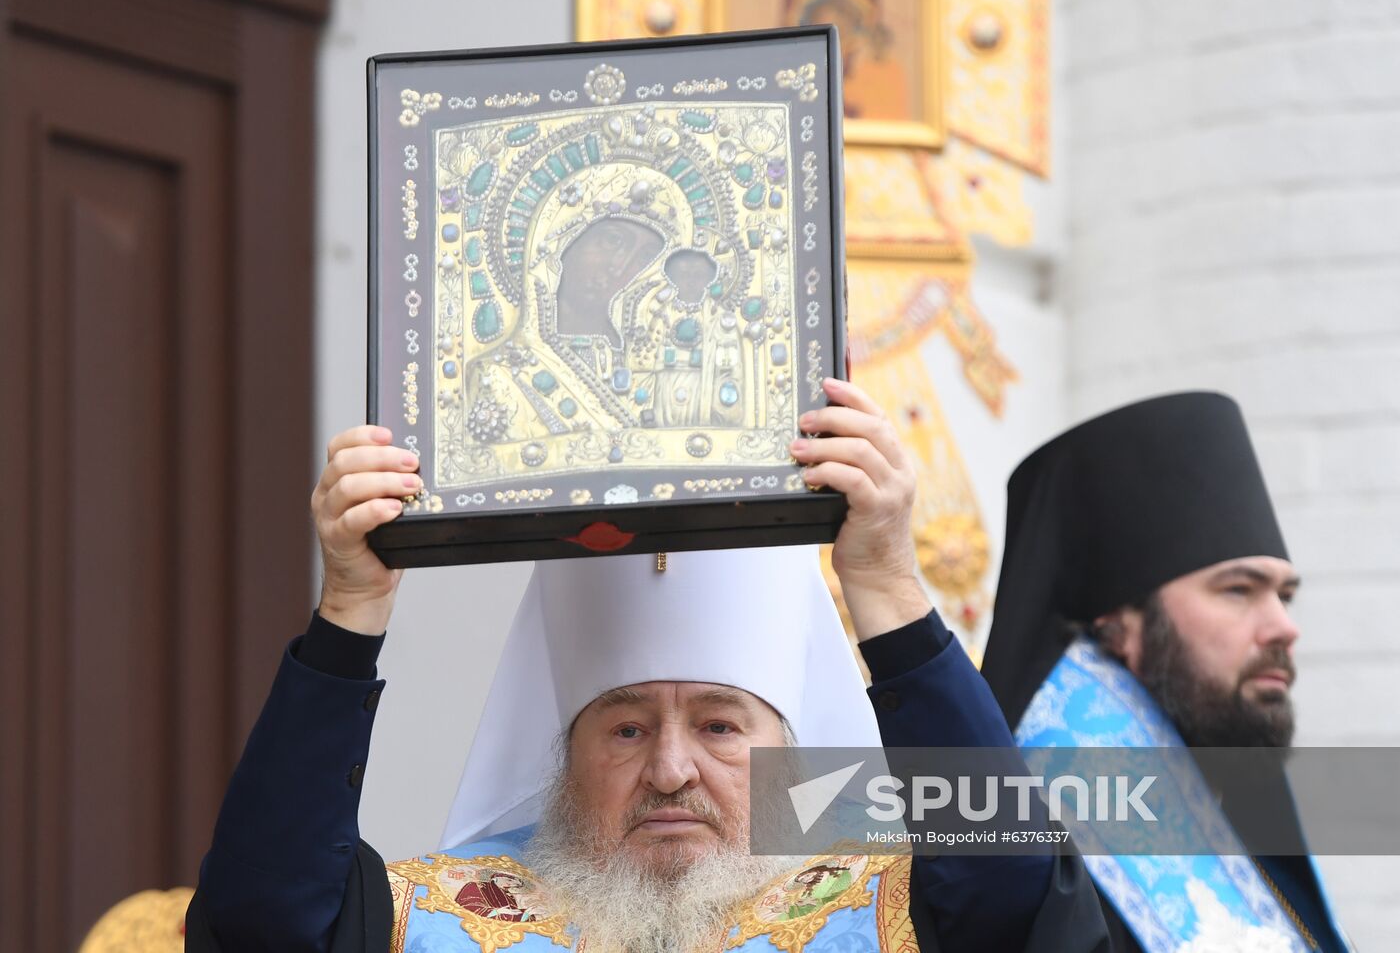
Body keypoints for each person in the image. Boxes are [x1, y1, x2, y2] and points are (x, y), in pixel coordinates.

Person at [185, 377, 1109, 952]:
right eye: (625, 727)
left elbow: (1013, 892)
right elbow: (264, 920)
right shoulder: (439, 920)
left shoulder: (889, 909)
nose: (671, 770)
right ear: (563, 755)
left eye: (718, 724)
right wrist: (351, 611)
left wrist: (885, 581)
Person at [980, 392, 1353, 952]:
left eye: (1285, 596)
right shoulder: (1030, 838)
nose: (1283, 627)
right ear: (1119, 625)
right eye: (1238, 590)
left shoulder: (1234, 806)